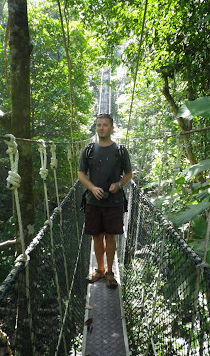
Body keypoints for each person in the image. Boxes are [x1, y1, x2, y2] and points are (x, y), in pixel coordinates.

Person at [78, 114, 132, 288]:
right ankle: (99, 270)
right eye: (99, 125)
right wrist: (92, 188)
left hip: (114, 201)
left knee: (110, 237)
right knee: (96, 236)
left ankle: (109, 272)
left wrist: (118, 184)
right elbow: (81, 174)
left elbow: (129, 174)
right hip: (93, 202)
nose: (101, 128)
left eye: (105, 125)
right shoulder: (88, 150)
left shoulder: (120, 151)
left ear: (112, 127)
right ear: (96, 127)